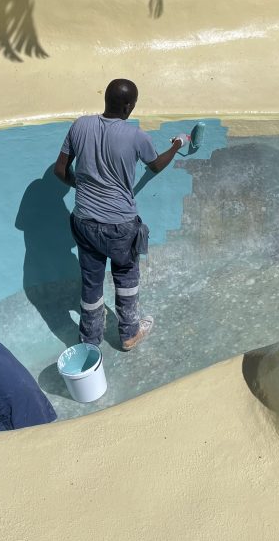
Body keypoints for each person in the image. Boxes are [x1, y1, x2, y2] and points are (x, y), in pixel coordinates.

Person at [54, 78, 189, 351]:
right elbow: (155, 166)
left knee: (91, 281)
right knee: (126, 279)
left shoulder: (79, 126)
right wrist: (176, 145)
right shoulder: (137, 136)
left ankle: (90, 340)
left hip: (84, 221)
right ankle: (128, 333)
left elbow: (60, 171)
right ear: (128, 106)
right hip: (120, 226)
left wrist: (81, 184)